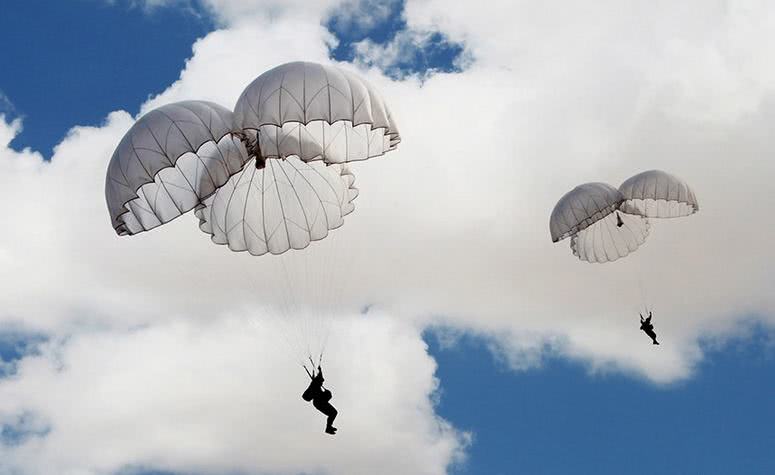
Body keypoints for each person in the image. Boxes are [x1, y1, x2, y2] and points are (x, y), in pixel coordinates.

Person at [302, 364, 338, 435]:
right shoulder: (314, 386)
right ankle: (328, 428)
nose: (322, 383)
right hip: (319, 402)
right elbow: (319, 378)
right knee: (333, 412)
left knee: (333, 413)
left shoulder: (317, 385)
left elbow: (320, 377)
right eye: (321, 382)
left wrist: (320, 370)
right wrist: (319, 372)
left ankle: (329, 427)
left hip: (320, 402)